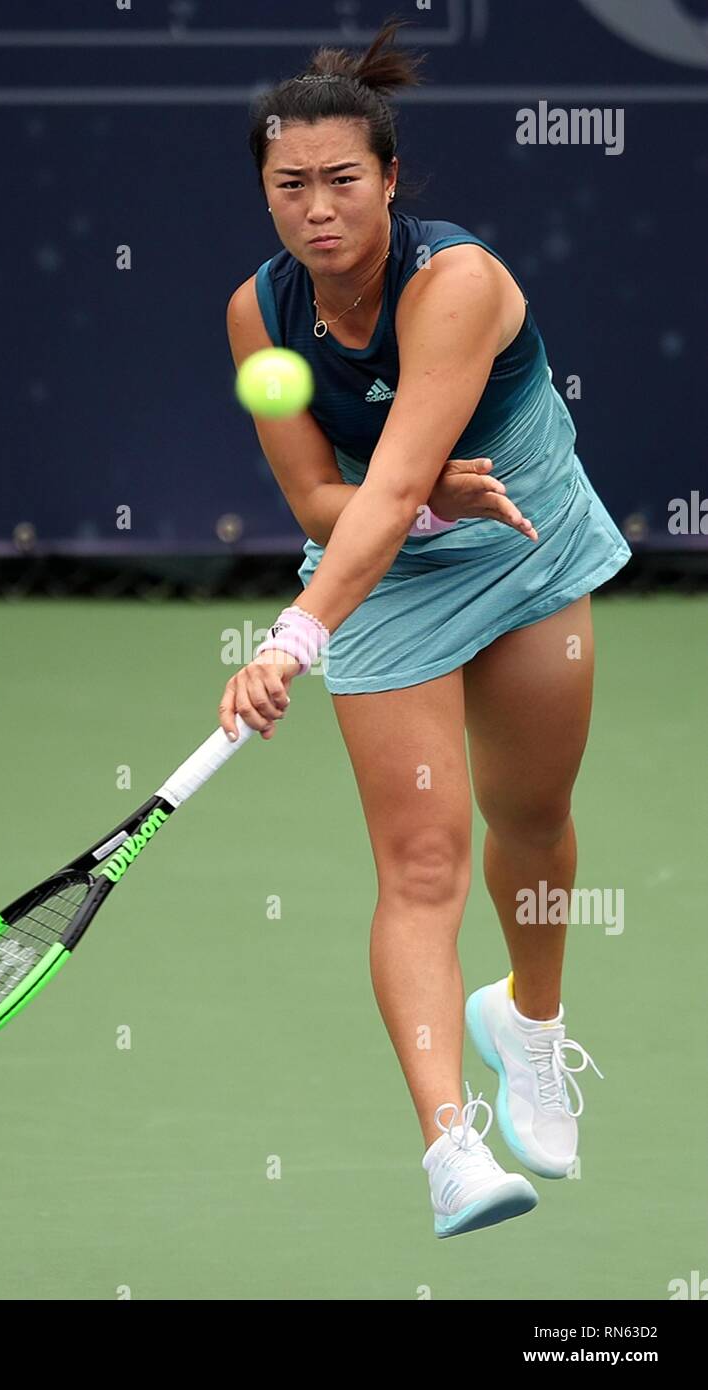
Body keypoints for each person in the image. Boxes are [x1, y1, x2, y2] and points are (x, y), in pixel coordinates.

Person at [219, 17, 628, 1238]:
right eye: (288, 186)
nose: (317, 210)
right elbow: (321, 502)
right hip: (384, 579)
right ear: (265, 195)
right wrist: (414, 500)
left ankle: (531, 1026)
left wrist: (290, 637)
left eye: (343, 181)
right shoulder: (256, 316)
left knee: (533, 818)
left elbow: (389, 487)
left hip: (524, 543)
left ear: (390, 180)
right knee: (421, 863)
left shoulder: (456, 285)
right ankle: (450, 1147)